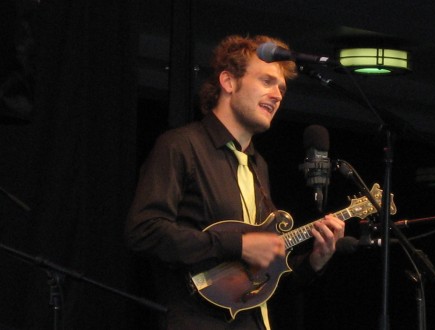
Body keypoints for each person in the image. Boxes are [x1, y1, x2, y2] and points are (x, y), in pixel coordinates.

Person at [125, 34, 345, 329]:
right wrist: (236, 244)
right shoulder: (181, 146)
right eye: (267, 81)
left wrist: (314, 262)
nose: (278, 95)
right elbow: (144, 231)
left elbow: (257, 278)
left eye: (281, 88)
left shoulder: (258, 166)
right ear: (228, 82)